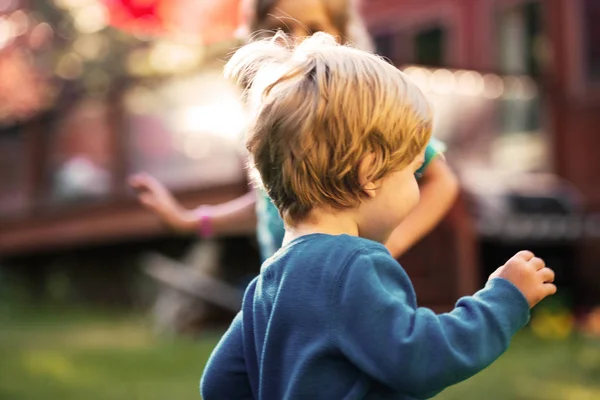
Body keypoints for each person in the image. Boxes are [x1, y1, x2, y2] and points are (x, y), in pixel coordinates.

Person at [200, 32, 557, 399]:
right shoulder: (350, 266)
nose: (417, 187)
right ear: (370, 173)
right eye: (413, 171)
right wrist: (504, 299)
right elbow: (422, 357)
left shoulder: (268, 280)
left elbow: (218, 383)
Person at [129, 0, 458, 263]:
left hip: (342, 282)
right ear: (257, 37)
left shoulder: (362, 113)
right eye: (280, 28)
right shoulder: (273, 120)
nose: (297, 41)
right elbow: (272, 201)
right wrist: (190, 221)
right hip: (283, 282)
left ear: (341, 37)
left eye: (315, 29)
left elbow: (441, 180)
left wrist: (395, 240)